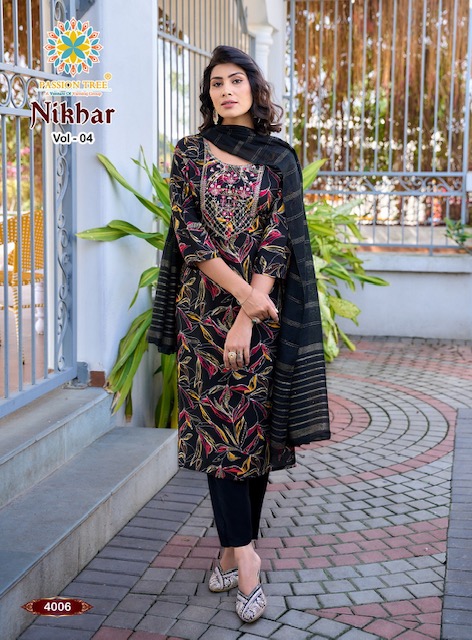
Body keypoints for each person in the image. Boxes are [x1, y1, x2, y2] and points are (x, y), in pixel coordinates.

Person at [148, 45, 330, 623]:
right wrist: (241, 299)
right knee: (219, 437)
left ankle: (230, 550)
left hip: (263, 314)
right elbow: (191, 235)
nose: (226, 91)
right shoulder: (190, 153)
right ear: (208, 95)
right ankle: (247, 560)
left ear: (254, 87)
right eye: (216, 83)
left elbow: (279, 236)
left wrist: (251, 311)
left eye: (236, 80)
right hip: (204, 313)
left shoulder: (278, 157)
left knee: (253, 435)